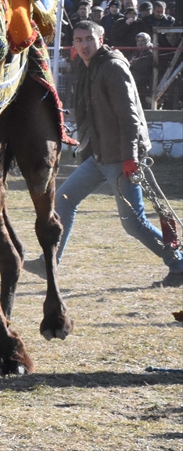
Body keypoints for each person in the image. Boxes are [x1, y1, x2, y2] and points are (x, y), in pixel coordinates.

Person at [27, 21, 183, 287]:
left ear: (101, 39)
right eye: (79, 40)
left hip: (121, 158)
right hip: (99, 156)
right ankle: (48, 263)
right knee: (64, 199)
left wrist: (130, 157)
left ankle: (179, 264)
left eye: (89, 38)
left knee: (134, 224)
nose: (84, 44)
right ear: (73, 45)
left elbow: (130, 117)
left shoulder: (111, 67)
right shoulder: (88, 68)